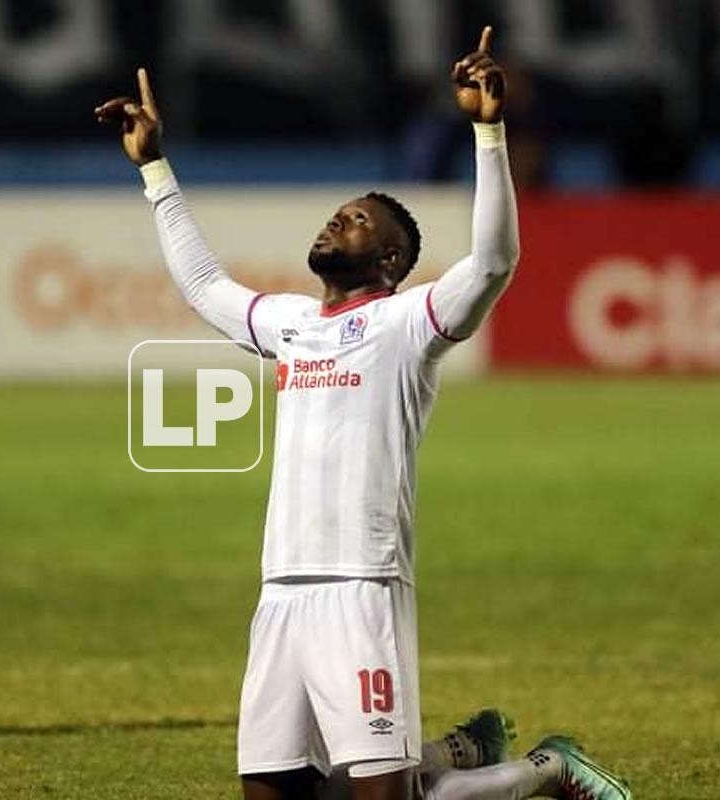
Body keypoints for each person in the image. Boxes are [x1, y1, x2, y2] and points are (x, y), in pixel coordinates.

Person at [97, 26, 629, 800]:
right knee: (276, 792)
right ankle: (463, 749)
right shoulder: (291, 324)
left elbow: (492, 263)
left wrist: (488, 132)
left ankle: (547, 769)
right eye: (336, 213)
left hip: (360, 584)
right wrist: (155, 172)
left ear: (387, 259)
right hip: (281, 588)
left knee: (386, 799)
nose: (333, 222)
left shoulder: (406, 325)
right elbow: (206, 287)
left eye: (355, 220)